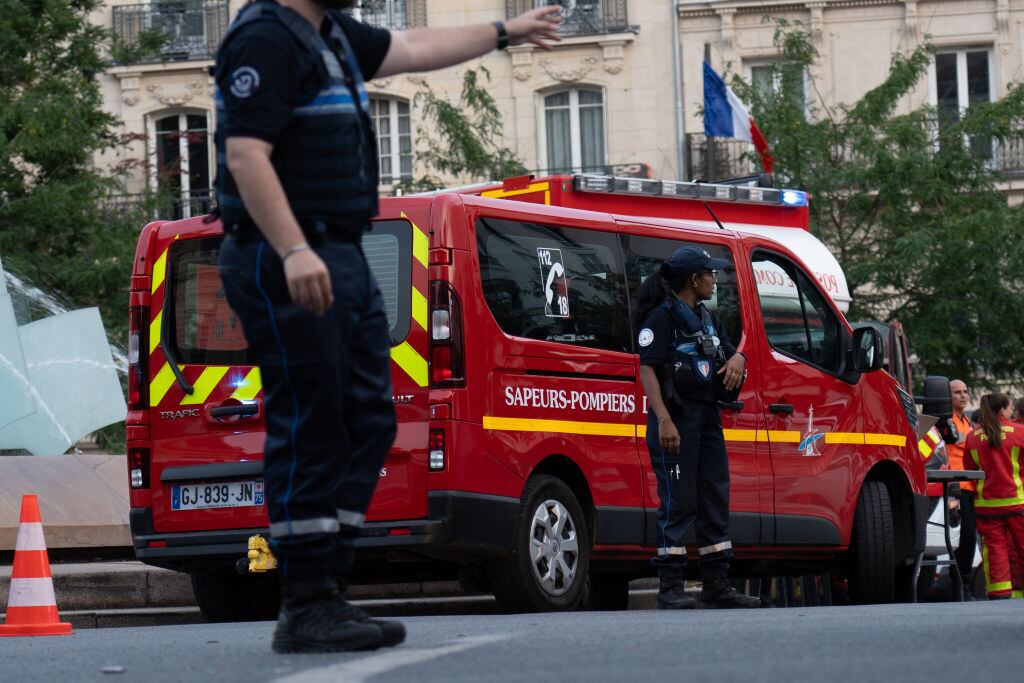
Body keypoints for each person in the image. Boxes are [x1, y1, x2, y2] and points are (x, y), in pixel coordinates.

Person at [214, 0, 561, 653]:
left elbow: (414, 47)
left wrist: (505, 32)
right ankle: (306, 601)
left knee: (370, 418)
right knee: (312, 421)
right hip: (286, 251)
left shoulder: (333, 36)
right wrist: (293, 250)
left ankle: (327, 582)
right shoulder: (264, 38)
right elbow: (245, 154)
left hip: (340, 248)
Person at [633, 246, 760, 609]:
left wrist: (739, 357)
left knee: (714, 497)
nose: (714, 279)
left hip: (707, 418)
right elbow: (648, 369)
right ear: (694, 279)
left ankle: (717, 583)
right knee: (678, 500)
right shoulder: (662, 318)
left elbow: (732, 352)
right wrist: (664, 420)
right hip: (676, 418)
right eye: (710, 274)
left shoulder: (708, 318)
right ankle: (671, 585)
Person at [963, 393, 1024, 599]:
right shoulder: (1019, 432)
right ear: (1002, 409)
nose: (1011, 410)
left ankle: (999, 594)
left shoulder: (973, 436)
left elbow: (969, 469)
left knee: (995, 551)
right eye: (1009, 407)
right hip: (1017, 502)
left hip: (986, 505)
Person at [946, 379, 978, 599]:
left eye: (966, 391)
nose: (963, 396)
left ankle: (963, 583)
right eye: (958, 392)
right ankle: (960, 585)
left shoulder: (966, 421)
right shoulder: (946, 422)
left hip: (970, 485)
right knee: (963, 538)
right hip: (954, 487)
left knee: (969, 538)